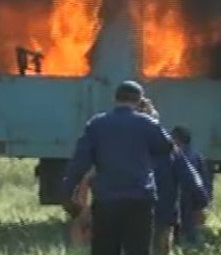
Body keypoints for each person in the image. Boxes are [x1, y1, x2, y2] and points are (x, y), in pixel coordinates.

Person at [61, 80, 174, 255]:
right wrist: (153, 117)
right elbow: (166, 147)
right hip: (139, 199)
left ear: (115, 99)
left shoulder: (96, 124)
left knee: (104, 250)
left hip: (106, 200)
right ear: (139, 101)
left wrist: (67, 191)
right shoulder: (146, 123)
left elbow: (80, 161)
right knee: (138, 250)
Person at [140, 101, 208, 255]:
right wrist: (201, 202)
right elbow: (190, 179)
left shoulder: (120, 147)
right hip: (162, 214)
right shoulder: (170, 149)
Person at [171, 125, 212, 247]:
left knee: (179, 227)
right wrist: (205, 198)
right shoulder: (196, 155)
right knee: (192, 228)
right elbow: (205, 179)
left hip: (180, 197)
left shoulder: (175, 155)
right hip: (195, 197)